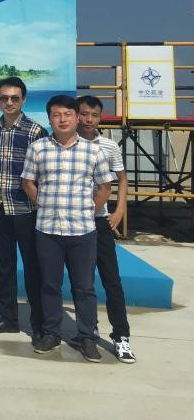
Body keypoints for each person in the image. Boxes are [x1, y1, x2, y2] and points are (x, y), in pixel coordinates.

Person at [21, 95, 113, 362]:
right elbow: (28, 182)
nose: (62, 120)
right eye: (56, 115)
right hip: (47, 229)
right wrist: (43, 203)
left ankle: (87, 337)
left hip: (82, 231)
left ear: (76, 117)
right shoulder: (38, 148)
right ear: (49, 119)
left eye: (67, 114)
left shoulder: (93, 151)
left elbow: (105, 187)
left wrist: (88, 211)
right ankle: (51, 333)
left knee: (84, 287)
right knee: (50, 285)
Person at [0, 77, 48, 342]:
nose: (9, 103)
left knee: (33, 267)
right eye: (4, 98)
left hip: (26, 209)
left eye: (15, 98)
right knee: (4, 266)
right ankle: (8, 318)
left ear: (23, 100)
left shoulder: (35, 131)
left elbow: (44, 172)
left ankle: (38, 324)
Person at [77, 95, 136, 363]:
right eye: (84, 114)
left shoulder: (109, 146)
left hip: (100, 221)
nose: (89, 120)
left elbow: (121, 179)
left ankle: (121, 336)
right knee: (83, 281)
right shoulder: (68, 143)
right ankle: (89, 330)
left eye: (95, 115)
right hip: (76, 222)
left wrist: (119, 210)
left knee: (111, 279)